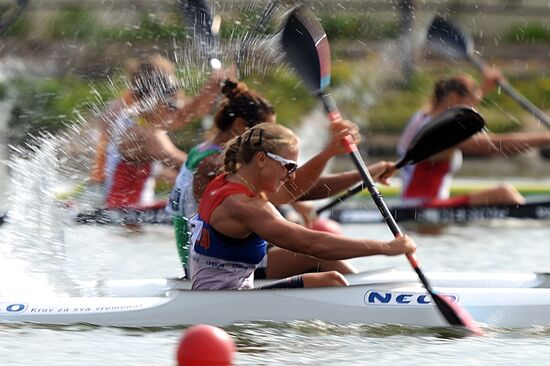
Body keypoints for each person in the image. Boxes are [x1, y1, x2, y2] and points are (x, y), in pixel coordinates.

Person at [167, 78, 395, 278]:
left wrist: (365, 175)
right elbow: (299, 191)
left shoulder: (207, 154)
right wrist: (385, 247)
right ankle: (365, 295)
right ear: (239, 126)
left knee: (319, 264)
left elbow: (293, 189)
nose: (268, 138)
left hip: (220, 255)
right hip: (214, 266)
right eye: (263, 131)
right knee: (315, 256)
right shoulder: (214, 165)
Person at [188, 123, 417, 290]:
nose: (292, 175)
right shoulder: (245, 205)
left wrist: (358, 170)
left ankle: (370, 293)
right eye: (288, 166)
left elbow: (299, 189)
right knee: (332, 281)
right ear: (260, 160)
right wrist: (385, 248)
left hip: (228, 291)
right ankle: (371, 299)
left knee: (330, 278)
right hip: (224, 300)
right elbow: (312, 244)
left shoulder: (230, 181)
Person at [397, 67, 550, 207]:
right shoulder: (445, 133)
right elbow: (497, 145)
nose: (473, 111)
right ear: (453, 98)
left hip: (415, 203)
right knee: (505, 193)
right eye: (473, 104)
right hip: (423, 207)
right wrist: (546, 138)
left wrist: (484, 88)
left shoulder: (422, 117)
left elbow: (459, 105)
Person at [91, 54, 224, 209]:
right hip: (121, 221)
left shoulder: (140, 117)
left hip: (133, 216)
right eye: (172, 104)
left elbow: (187, 114)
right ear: (153, 100)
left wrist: (213, 86)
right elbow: (189, 165)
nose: (176, 109)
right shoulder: (145, 135)